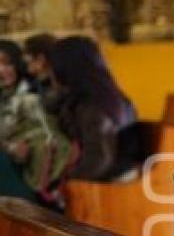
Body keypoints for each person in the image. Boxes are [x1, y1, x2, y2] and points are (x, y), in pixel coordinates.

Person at [49, 36, 142, 182]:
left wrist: (66, 181)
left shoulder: (95, 106)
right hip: (112, 176)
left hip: (112, 185)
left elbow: (99, 160)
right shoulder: (103, 96)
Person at [0, 39, 71, 203]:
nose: (1, 71)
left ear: (18, 64)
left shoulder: (37, 91)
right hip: (13, 163)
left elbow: (51, 130)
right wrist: (11, 148)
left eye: (7, 64)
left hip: (42, 170)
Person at [22, 33, 57, 99]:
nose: (24, 58)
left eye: (26, 53)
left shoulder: (54, 88)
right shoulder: (35, 82)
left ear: (40, 58)